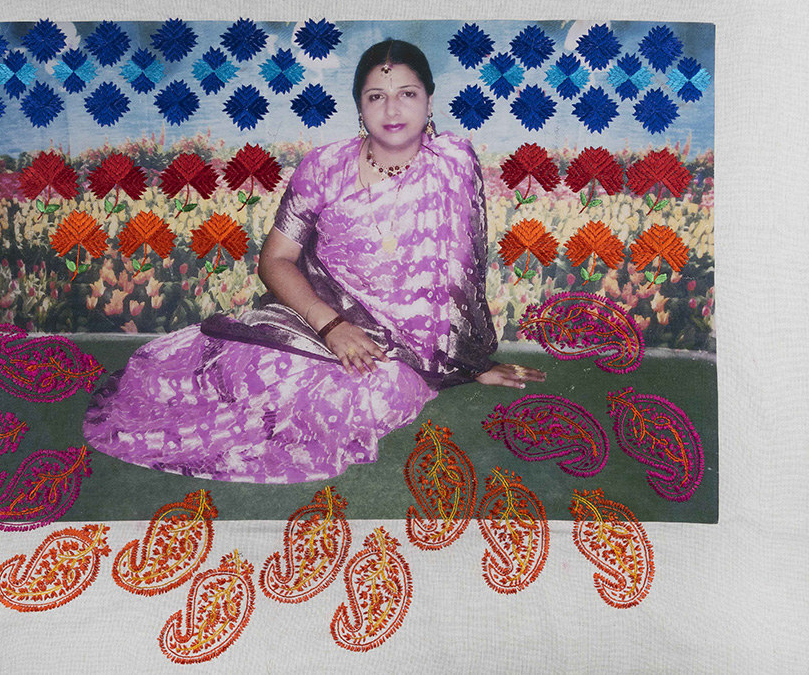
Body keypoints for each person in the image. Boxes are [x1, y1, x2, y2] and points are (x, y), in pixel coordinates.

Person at [83, 39, 545, 484]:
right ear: (359, 108)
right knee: (237, 375)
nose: (392, 109)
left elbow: (458, 278)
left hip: (397, 351)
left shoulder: (453, 164)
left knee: (370, 400)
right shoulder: (324, 167)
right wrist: (332, 326)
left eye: (407, 94)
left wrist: (469, 364)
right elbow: (276, 260)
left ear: (429, 101)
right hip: (317, 320)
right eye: (375, 96)